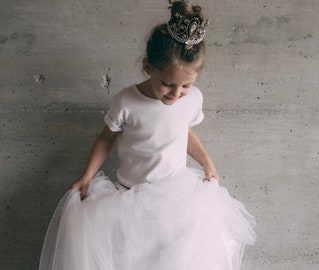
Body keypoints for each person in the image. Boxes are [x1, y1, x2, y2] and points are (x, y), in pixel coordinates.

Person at [39, 1, 256, 270]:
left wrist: (207, 163)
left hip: (174, 199)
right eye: (168, 84)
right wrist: (87, 175)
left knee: (176, 259)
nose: (176, 94)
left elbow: (183, 132)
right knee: (129, 259)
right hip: (131, 198)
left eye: (186, 86)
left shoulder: (192, 100)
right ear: (147, 67)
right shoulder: (127, 101)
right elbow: (106, 138)